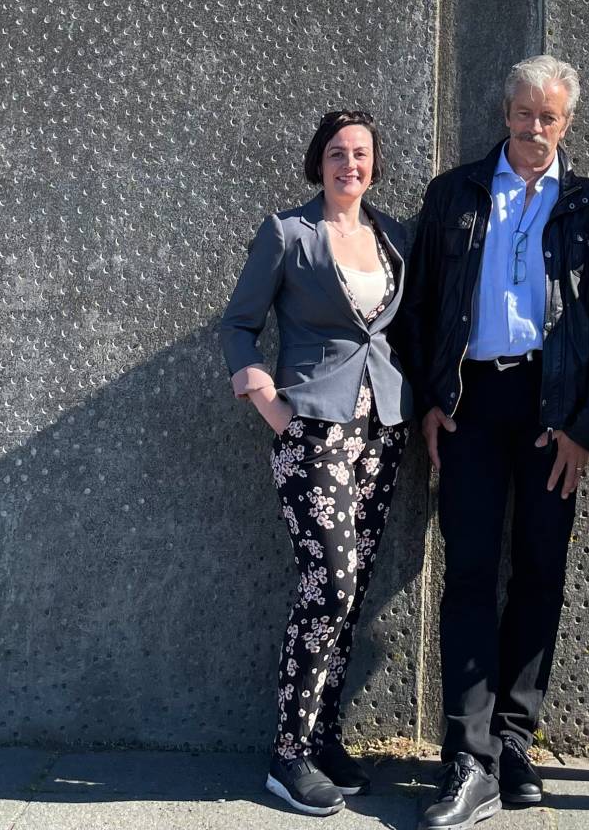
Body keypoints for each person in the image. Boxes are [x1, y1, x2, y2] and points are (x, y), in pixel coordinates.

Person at [404, 56, 589, 828]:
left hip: (552, 409)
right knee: (467, 575)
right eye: (525, 115)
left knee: (538, 572)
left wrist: (584, 430)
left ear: (568, 123)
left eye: (551, 118)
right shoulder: (455, 193)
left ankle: (514, 742)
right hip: (470, 400)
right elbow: (422, 306)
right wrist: (429, 401)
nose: (536, 129)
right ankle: (466, 758)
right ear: (505, 115)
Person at [221, 110, 413, 817]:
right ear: (318, 162)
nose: (350, 165)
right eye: (338, 153)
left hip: (382, 431)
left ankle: (325, 734)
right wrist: (270, 404)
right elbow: (238, 324)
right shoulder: (288, 234)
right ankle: (288, 752)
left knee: (354, 588)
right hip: (313, 431)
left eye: (361, 154)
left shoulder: (394, 235)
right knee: (327, 582)